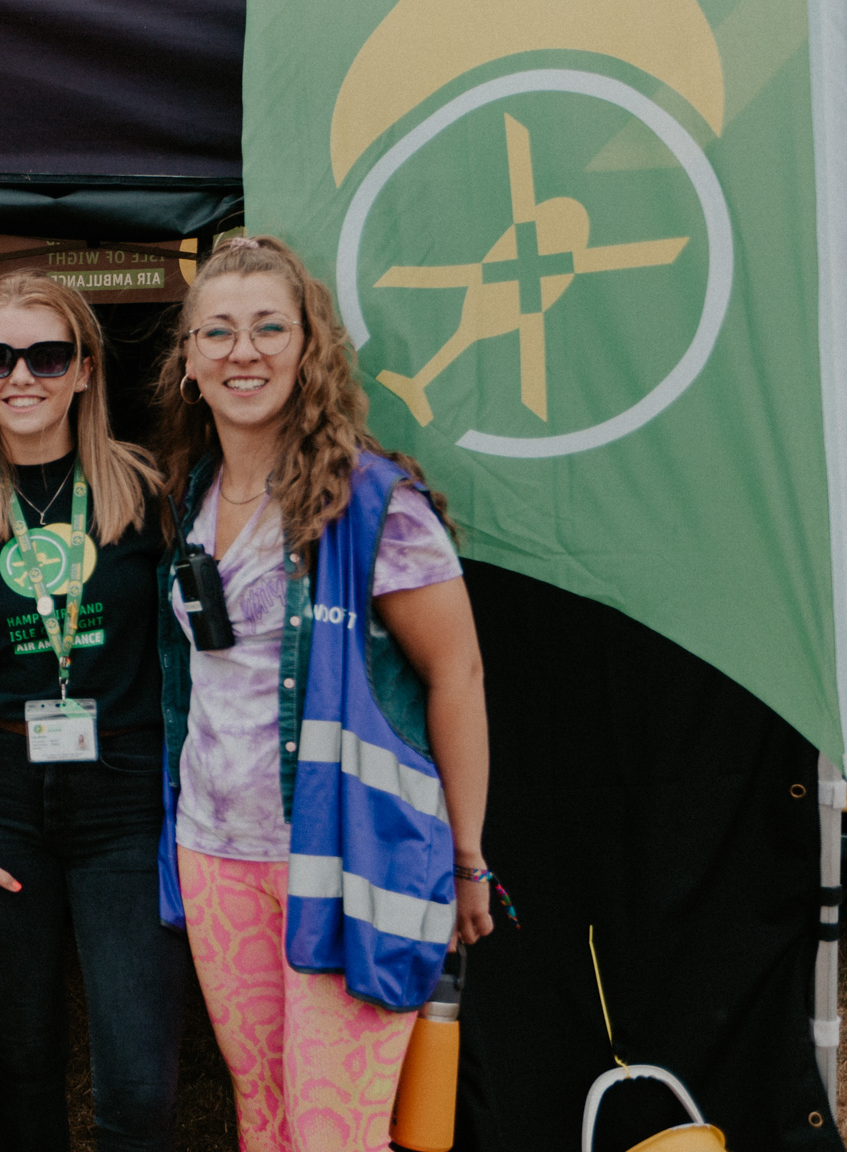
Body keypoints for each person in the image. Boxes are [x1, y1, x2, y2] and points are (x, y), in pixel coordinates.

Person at [151, 235, 496, 1152]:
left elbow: (455, 674)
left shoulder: (374, 504)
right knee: (262, 1120)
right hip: (213, 851)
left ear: (311, 350)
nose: (243, 351)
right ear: (189, 361)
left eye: (270, 328)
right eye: (217, 333)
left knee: (333, 1135)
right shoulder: (191, 493)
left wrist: (464, 858)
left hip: (347, 858)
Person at [0, 269, 183, 1151]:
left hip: (124, 794)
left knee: (139, 1077)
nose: (19, 377)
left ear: (86, 370)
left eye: (45, 355)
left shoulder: (148, 493)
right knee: (23, 1059)